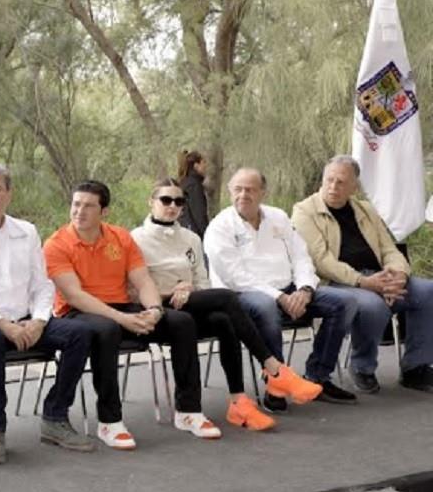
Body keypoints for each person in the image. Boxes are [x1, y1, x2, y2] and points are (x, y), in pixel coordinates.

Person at [0, 164, 97, 464]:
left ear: (9, 194)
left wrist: (38, 320)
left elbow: (42, 284)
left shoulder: (26, 231)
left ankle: (55, 417)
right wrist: (1, 324)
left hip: (25, 321)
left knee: (80, 333)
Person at [43, 180, 220, 450]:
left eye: (89, 206)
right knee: (107, 329)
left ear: (104, 212)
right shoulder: (56, 244)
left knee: (181, 322)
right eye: (76, 204)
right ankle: (109, 421)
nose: (79, 211)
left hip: (123, 307)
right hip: (79, 313)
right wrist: (123, 319)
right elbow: (75, 296)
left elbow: (143, 281)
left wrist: (154, 311)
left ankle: (188, 411)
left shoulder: (120, 237)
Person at [132, 179, 322, 430]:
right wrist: (170, 292)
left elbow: (201, 281)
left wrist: (188, 288)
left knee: (224, 320)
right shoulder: (135, 239)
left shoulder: (190, 238)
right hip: (158, 308)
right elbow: (134, 290)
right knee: (226, 297)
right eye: (165, 200)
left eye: (178, 201)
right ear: (151, 202)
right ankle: (274, 368)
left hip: (189, 302)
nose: (172, 206)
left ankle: (239, 402)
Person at [204, 167, 356, 409]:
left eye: (251, 190)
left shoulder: (278, 217)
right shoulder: (219, 227)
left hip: (290, 290)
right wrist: (280, 298)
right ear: (229, 191)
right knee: (265, 307)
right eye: (238, 189)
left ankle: (318, 375)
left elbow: (300, 256)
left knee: (345, 302)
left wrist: (305, 290)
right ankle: (277, 384)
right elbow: (235, 277)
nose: (244, 195)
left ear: (263, 192)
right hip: (243, 296)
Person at [292, 155, 433, 394]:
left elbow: (389, 248)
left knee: (428, 291)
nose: (333, 187)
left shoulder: (365, 209)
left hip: (379, 277)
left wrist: (398, 275)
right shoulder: (304, 212)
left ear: (354, 187)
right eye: (329, 180)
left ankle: (415, 367)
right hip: (337, 283)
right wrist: (364, 282)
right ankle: (362, 366)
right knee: (373, 306)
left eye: (341, 182)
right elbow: (322, 262)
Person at [178, 150, 209, 238]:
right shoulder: (194, 185)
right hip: (192, 233)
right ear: (196, 165)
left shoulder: (184, 182)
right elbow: (199, 212)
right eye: (203, 163)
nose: (205, 166)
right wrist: (206, 235)